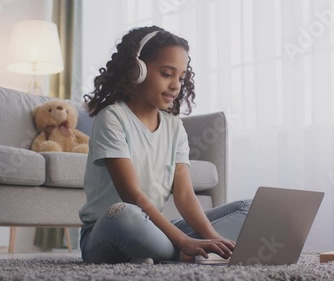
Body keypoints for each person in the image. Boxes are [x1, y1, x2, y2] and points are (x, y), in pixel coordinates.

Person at [79, 25, 251, 264]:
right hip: (109, 229)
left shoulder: (174, 126)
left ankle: (182, 251)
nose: (176, 85)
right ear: (135, 70)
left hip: (154, 229)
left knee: (250, 208)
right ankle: (181, 251)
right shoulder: (112, 118)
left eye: (180, 77)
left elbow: (184, 196)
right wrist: (183, 240)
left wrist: (213, 238)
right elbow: (133, 196)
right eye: (167, 74)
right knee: (124, 215)